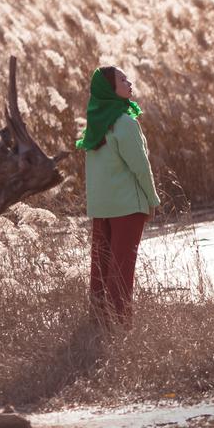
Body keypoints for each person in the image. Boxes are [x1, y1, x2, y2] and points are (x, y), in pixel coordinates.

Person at [75, 66, 160, 325]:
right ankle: (121, 325)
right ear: (110, 89)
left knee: (101, 269)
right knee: (122, 269)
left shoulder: (96, 123)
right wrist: (152, 199)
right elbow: (141, 167)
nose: (129, 82)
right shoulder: (125, 123)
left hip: (102, 207)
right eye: (122, 80)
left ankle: (99, 324)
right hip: (127, 206)